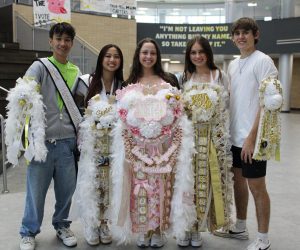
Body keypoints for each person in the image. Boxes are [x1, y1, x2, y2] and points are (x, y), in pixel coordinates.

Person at [110, 37, 196, 248]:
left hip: (164, 146)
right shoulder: (129, 83)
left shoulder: (169, 81)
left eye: (152, 53)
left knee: (160, 187)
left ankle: (158, 230)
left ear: (157, 57)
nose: (148, 57)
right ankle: (143, 229)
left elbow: (178, 112)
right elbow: (121, 116)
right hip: (136, 148)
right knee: (139, 188)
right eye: (144, 52)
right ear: (138, 55)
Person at [6, 22, 83, 250]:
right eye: (58, 39)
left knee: (66, 191)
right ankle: (28, 232)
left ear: (72, 43)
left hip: (67, 143)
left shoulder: (76, 72)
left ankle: (61, 225)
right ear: (51, 41)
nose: (62, 43)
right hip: (42, 143)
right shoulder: (39, 67)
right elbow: (24, 93)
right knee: (35, 193)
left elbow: (79, 105)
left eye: (67, 40)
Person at [213, 17, 278, 250]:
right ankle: (240, 226)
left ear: (255, 35)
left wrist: (252, 137)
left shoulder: (264, 62)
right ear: (233, 37)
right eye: (237, 33)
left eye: (246, 32)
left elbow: (267, 103)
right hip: (234, 137)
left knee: (256, 186)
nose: (241, 36)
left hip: (255, 139)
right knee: (238, 184)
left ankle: (263, 238)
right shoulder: (232, 64)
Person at [177, 36, 233, 247]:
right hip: (189, 141)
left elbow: (228, 110)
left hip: (213, 140)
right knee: (187, 184)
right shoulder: (184, 78)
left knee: (206, 185)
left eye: (201, 52)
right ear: (188, 56)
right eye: (193, 53)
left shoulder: (220, 76)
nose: (198, 56)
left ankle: (198, 228)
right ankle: (186, 227)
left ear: (208, 53)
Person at [70, 44, 124, 246]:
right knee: (91, 184)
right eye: (108, 56)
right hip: (92, 145)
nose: (112, 60)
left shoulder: (123, 86)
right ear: (101, 58)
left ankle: (104, 223)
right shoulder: (85, 81)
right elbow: (76, 112)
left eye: (116, 56)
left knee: (109, 186)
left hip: (114, 146)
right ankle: (91, 224)